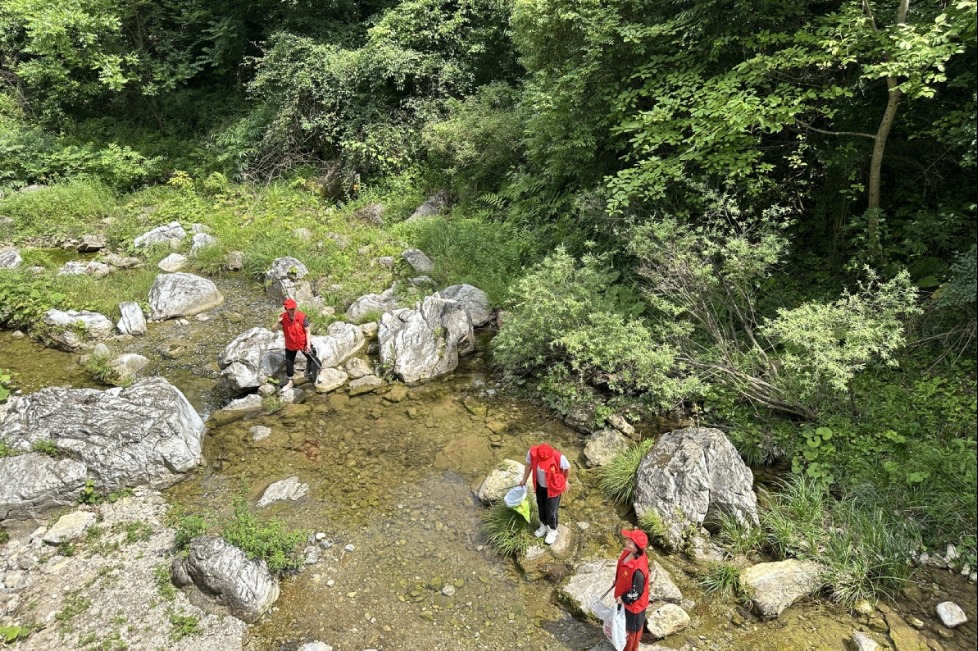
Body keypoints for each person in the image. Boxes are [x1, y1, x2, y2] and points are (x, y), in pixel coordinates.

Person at [518, 443, 569, 545]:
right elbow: (528, 465)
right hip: (540, 486)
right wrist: (524, 479)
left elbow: (567, 468)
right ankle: (544, 525)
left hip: (554, 487)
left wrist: (566, 480)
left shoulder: (559, 457)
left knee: (551, 511)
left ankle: (553, 530)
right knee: (541, 506)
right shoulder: (532, 453)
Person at [613, 529, 651, 651]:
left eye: (630, 542)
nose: (627, 542)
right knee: (624, 626)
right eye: (628, 540)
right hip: (624, 598)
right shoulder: (627, 552)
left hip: (634, 606)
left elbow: (636, 593)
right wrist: (617, 581)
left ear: (636, 548)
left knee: (632, 631)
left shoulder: (639, 570)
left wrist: (622, 598)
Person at [272, 298, 312, 391]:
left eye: (293, 308)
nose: (292, 310)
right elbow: (273, 330)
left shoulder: (302, 317)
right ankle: (290, 382)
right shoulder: (283, 318)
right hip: (290, 344)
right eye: (290, 309)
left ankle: (318, 370)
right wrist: (278, 322)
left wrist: (308, 345)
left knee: (312, 356)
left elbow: (307, 331)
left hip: (303, 342)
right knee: (289, 362)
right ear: (286, 309)